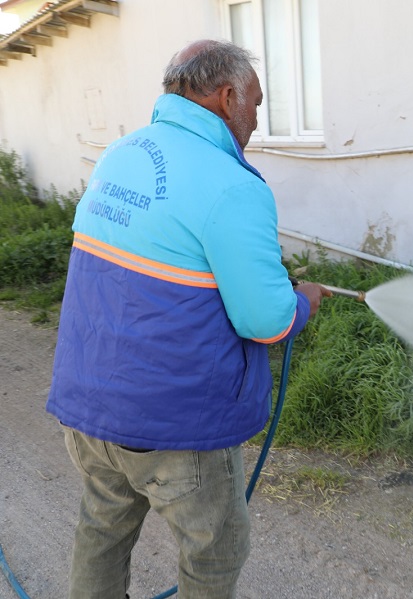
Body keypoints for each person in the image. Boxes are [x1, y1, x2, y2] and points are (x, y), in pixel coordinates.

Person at [45, 40, 330, 598]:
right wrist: (305, 301)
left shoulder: (120, 153)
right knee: (214, 551)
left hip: (88, 408)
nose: (255, 118)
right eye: (256, 102)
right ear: (227, 98)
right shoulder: (232, 186)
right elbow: (266, 321)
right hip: (174, 428)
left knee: (101, 532)